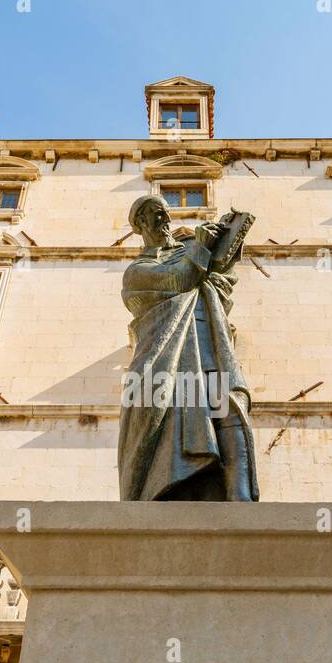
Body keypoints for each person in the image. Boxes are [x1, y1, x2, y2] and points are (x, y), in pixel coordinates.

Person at [118, 194, 258, 501]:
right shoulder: (138, 271)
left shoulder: (186, 251)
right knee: (170, 421)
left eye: (166, 212)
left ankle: (240, 497)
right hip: (166, 357)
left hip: (210, 344)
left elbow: (219, 278)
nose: (165, 219)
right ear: (140, 223)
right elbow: (178, 280)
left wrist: (225, 242)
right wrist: (201, 247)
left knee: (228, 408)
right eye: (157, 214)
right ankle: (176, 489)